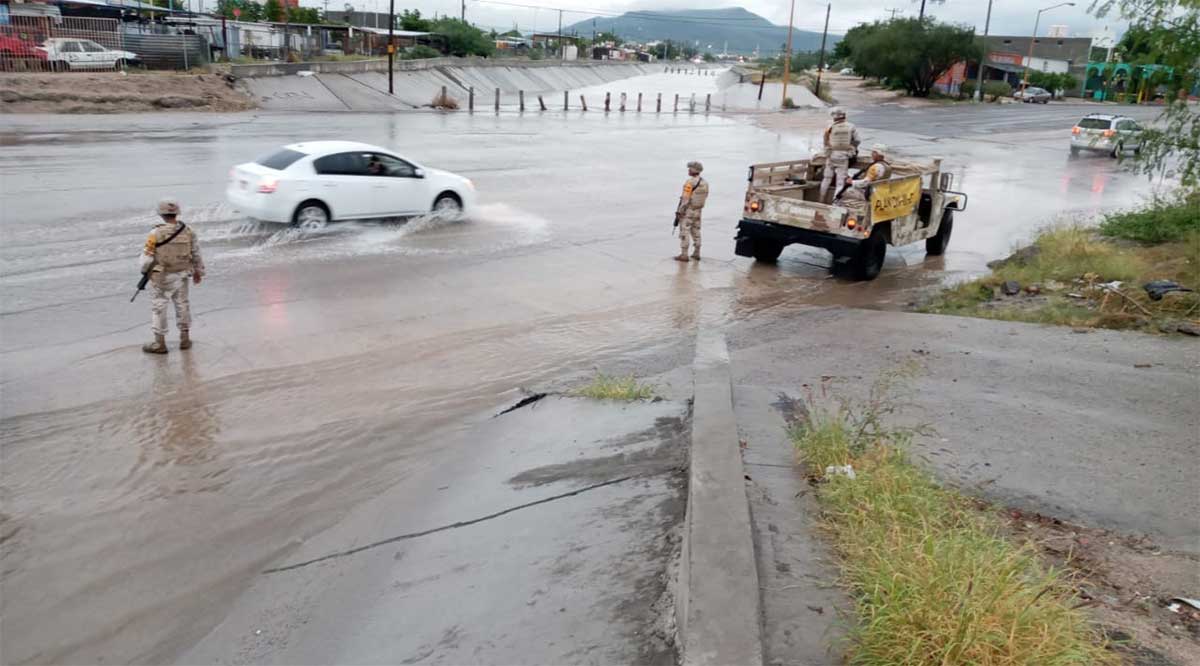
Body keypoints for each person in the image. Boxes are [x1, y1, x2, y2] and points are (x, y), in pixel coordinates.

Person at [140, 199, 205, 354]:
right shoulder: (188, 231)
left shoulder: (155, 233)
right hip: (182, 274)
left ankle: (159, 343)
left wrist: (145, 272)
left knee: (159, 307)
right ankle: (185, 339)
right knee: (182, 304)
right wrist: (198, 272)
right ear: (177, 213)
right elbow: (196, 253)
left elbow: (147, 258)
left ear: (161, 214)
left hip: (161, 275)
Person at [818, 107, 861, 203]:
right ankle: (835, 203)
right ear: (844, 116)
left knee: (826, 179)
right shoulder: (851, 126)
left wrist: (827, 152)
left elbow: (825, 141)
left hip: (831, 155)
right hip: (843, 156)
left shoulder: (829, 126)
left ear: (834, 117)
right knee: (840, 183)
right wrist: (851, 149)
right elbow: (857, 140)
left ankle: (821, 200)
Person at [838, 143, 892, 207]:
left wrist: (851, 182)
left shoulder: (874, 167)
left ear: (878, 153)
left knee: (845, 191)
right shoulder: (888, 167)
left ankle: (839, 209)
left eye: (873, 152)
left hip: (870, 195)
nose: (871, 154)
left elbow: (865, 183)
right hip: (880, 193)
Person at [675, 161, 709, 262]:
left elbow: (685, 199)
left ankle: (684, 255)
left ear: (694, 170)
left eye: (690, 168)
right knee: (696, 231)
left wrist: (680, 211)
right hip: (698, 210)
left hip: (689, 210)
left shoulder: (690, 182)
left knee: (684, 231)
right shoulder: (705, 183)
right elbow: (705, 196)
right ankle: (696, 253)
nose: (688, 170)